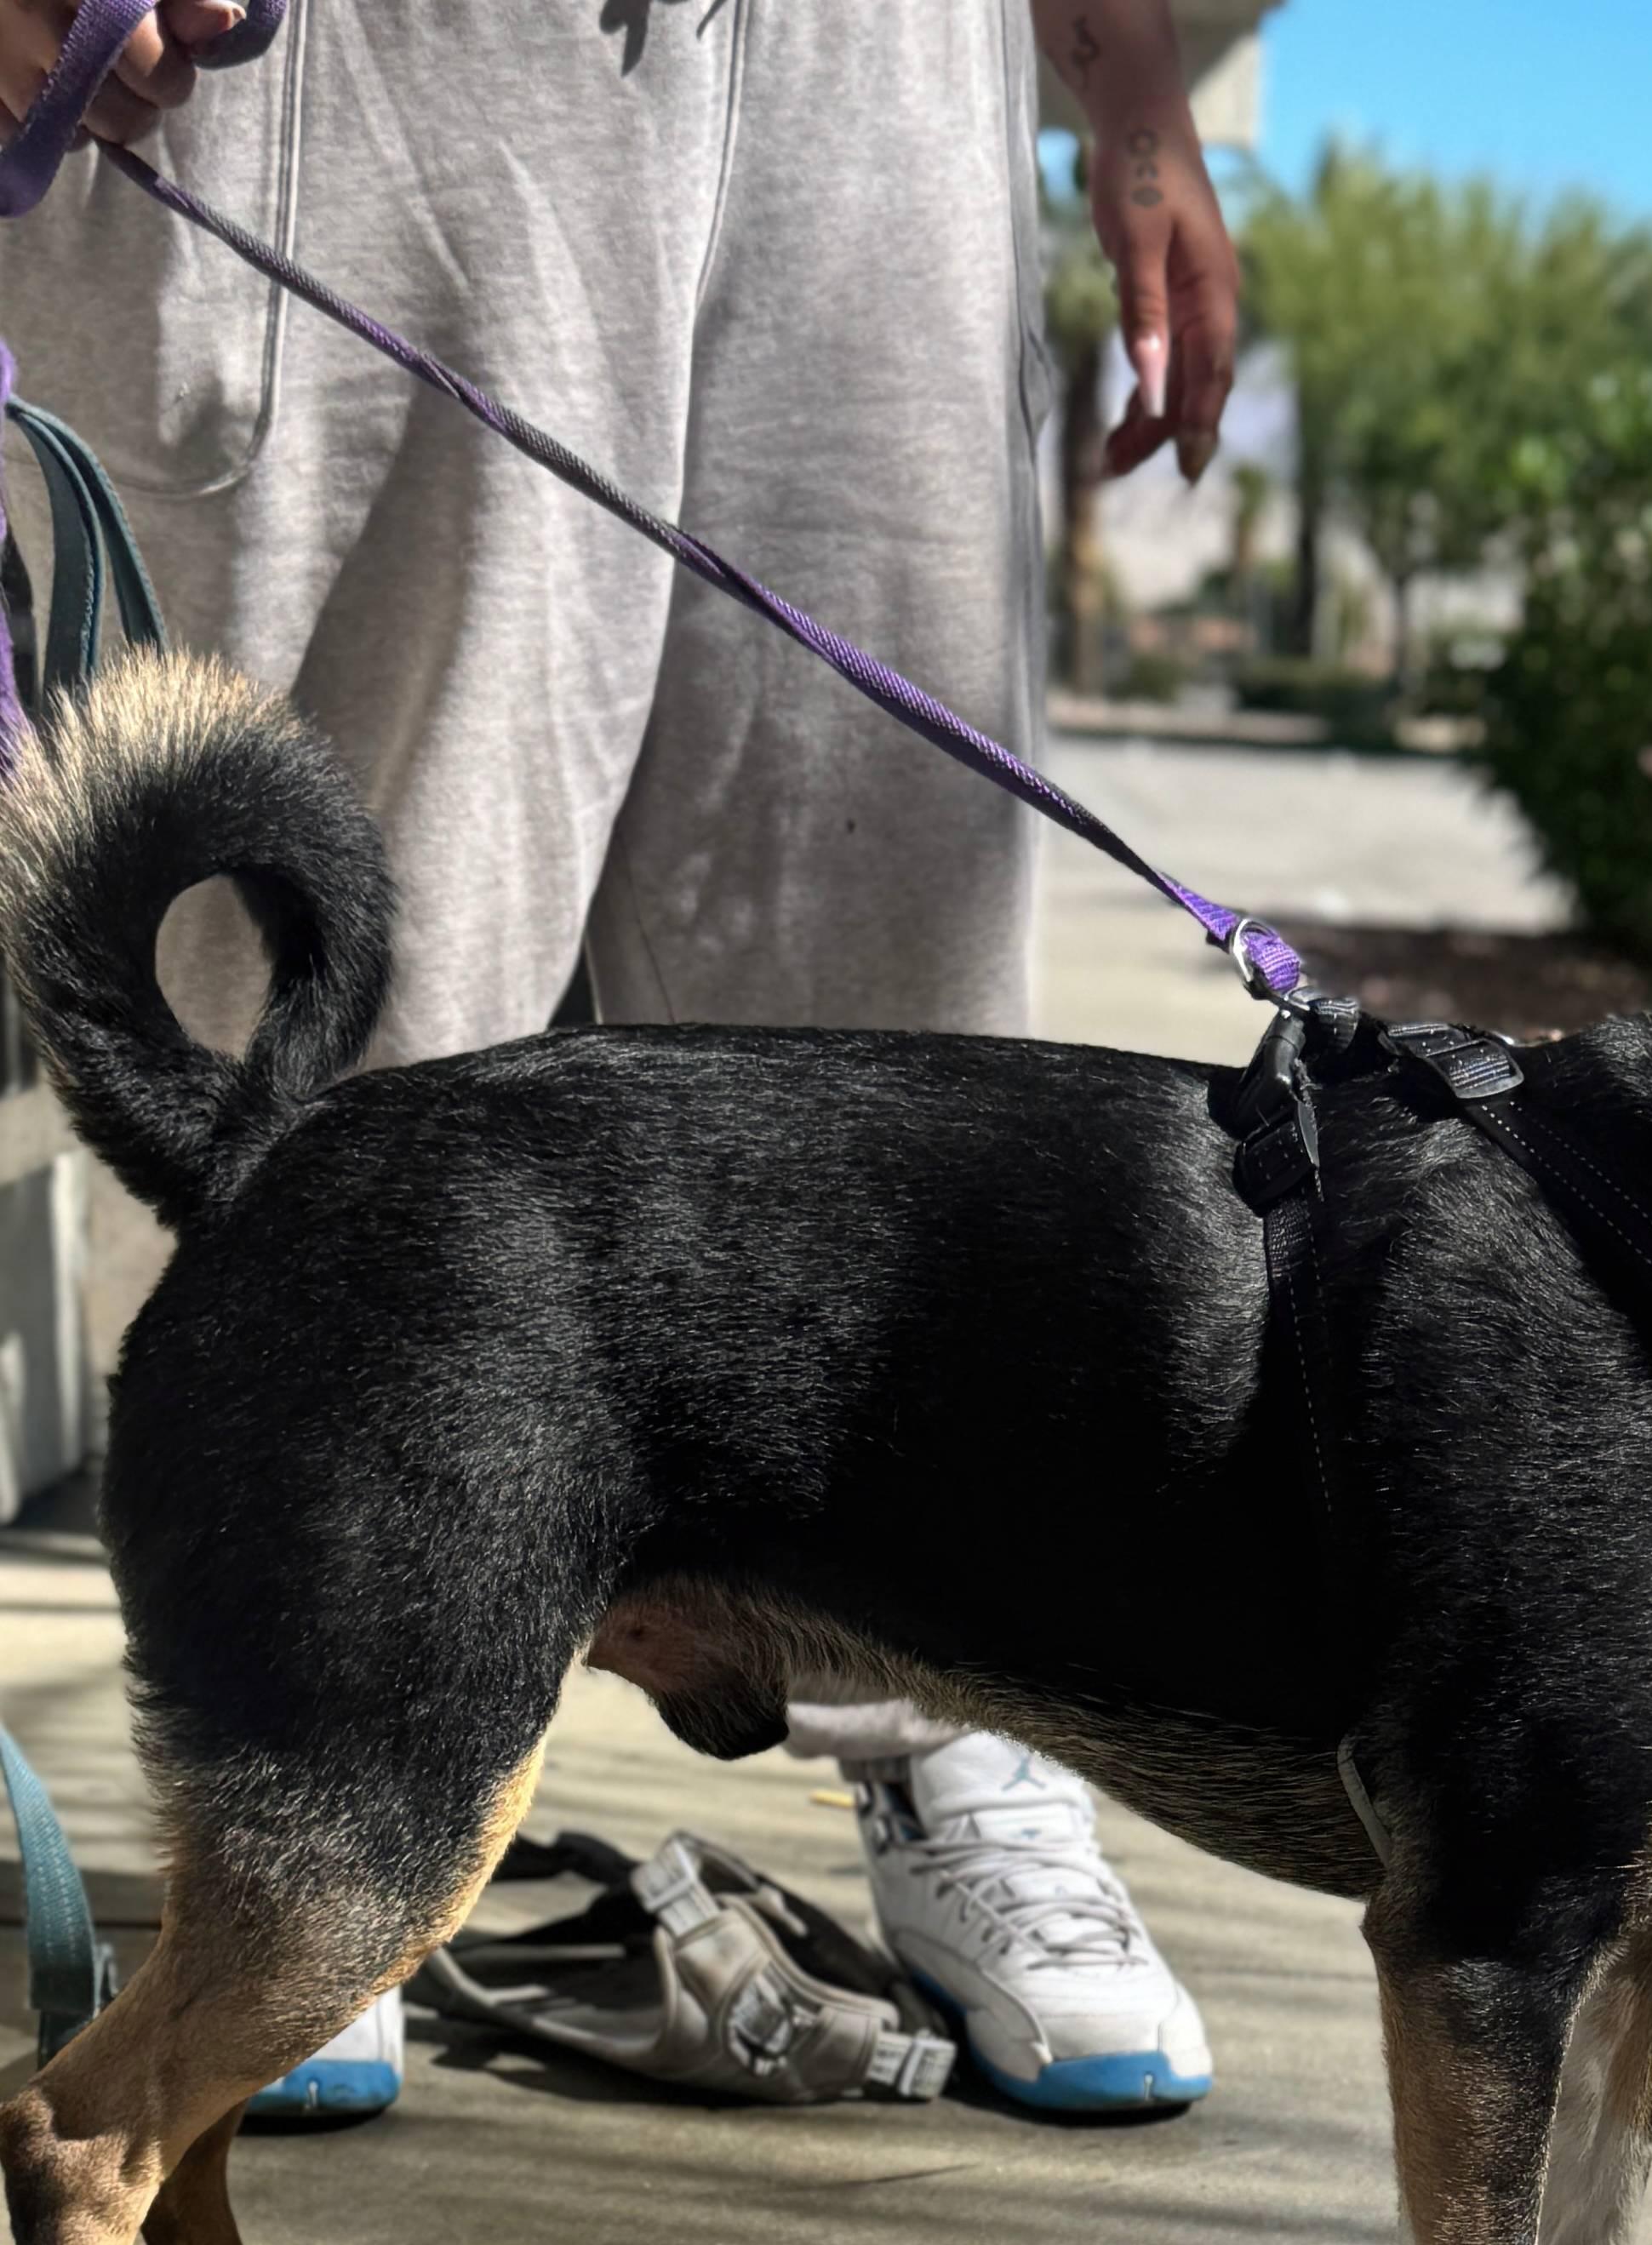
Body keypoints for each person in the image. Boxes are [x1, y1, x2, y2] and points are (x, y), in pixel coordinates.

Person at [0, 0, 1242, 2117]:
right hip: (370, 59)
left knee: (897, 969)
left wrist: (1129, 73)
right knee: (331, 982)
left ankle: (949, 1725)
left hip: (883, 69)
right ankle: (312, 1789)